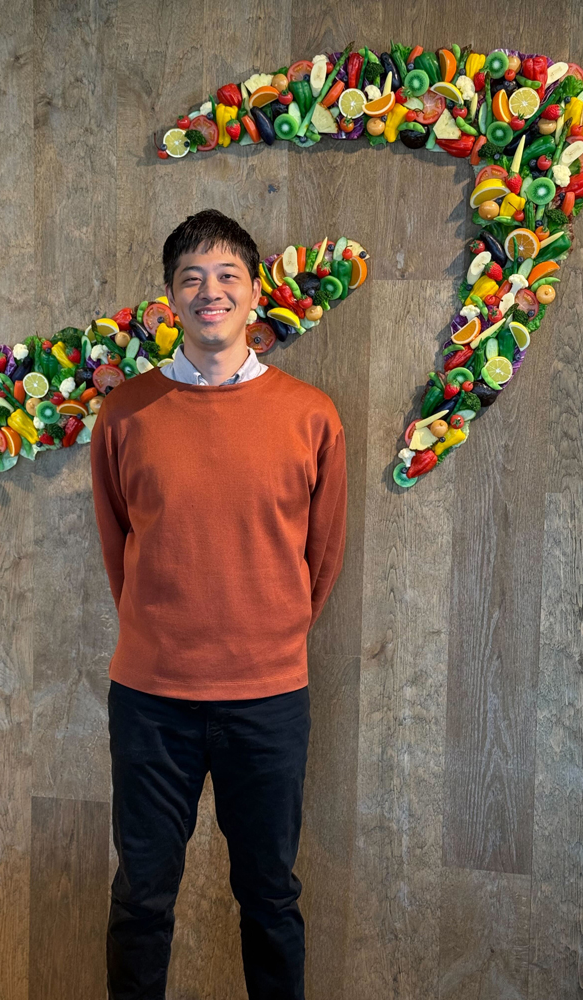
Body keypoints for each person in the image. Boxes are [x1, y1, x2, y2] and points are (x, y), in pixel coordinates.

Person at [90, 208, 348, 999]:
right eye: (191, 278)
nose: (211, 291)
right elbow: (118, 543)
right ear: (171, 297)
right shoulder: (126, 413)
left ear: (254, 293)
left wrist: (265, 635)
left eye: (227, 275)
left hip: (267, 700)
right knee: (141, 898)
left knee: (270, 898)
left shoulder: (310, 415)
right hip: (151, 700)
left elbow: (322, 557)